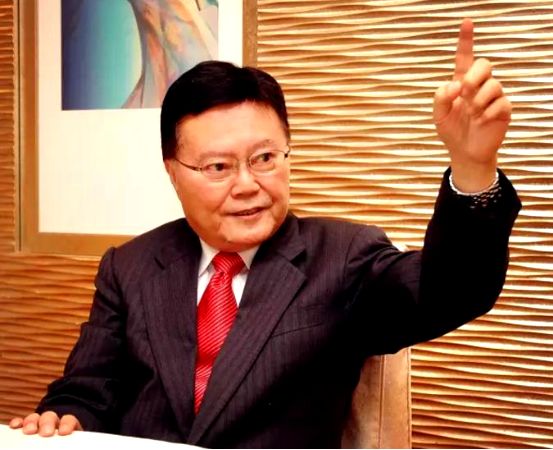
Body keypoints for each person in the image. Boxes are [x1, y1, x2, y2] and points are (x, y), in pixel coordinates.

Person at [10, 18, 520, 448]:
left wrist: (472, 165)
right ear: (173, 172)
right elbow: (86, 391)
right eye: (218, 167)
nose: (247, 185)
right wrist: (63, 418)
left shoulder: (342, 256)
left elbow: (452, 290)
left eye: (265, 158)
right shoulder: (131, 266)